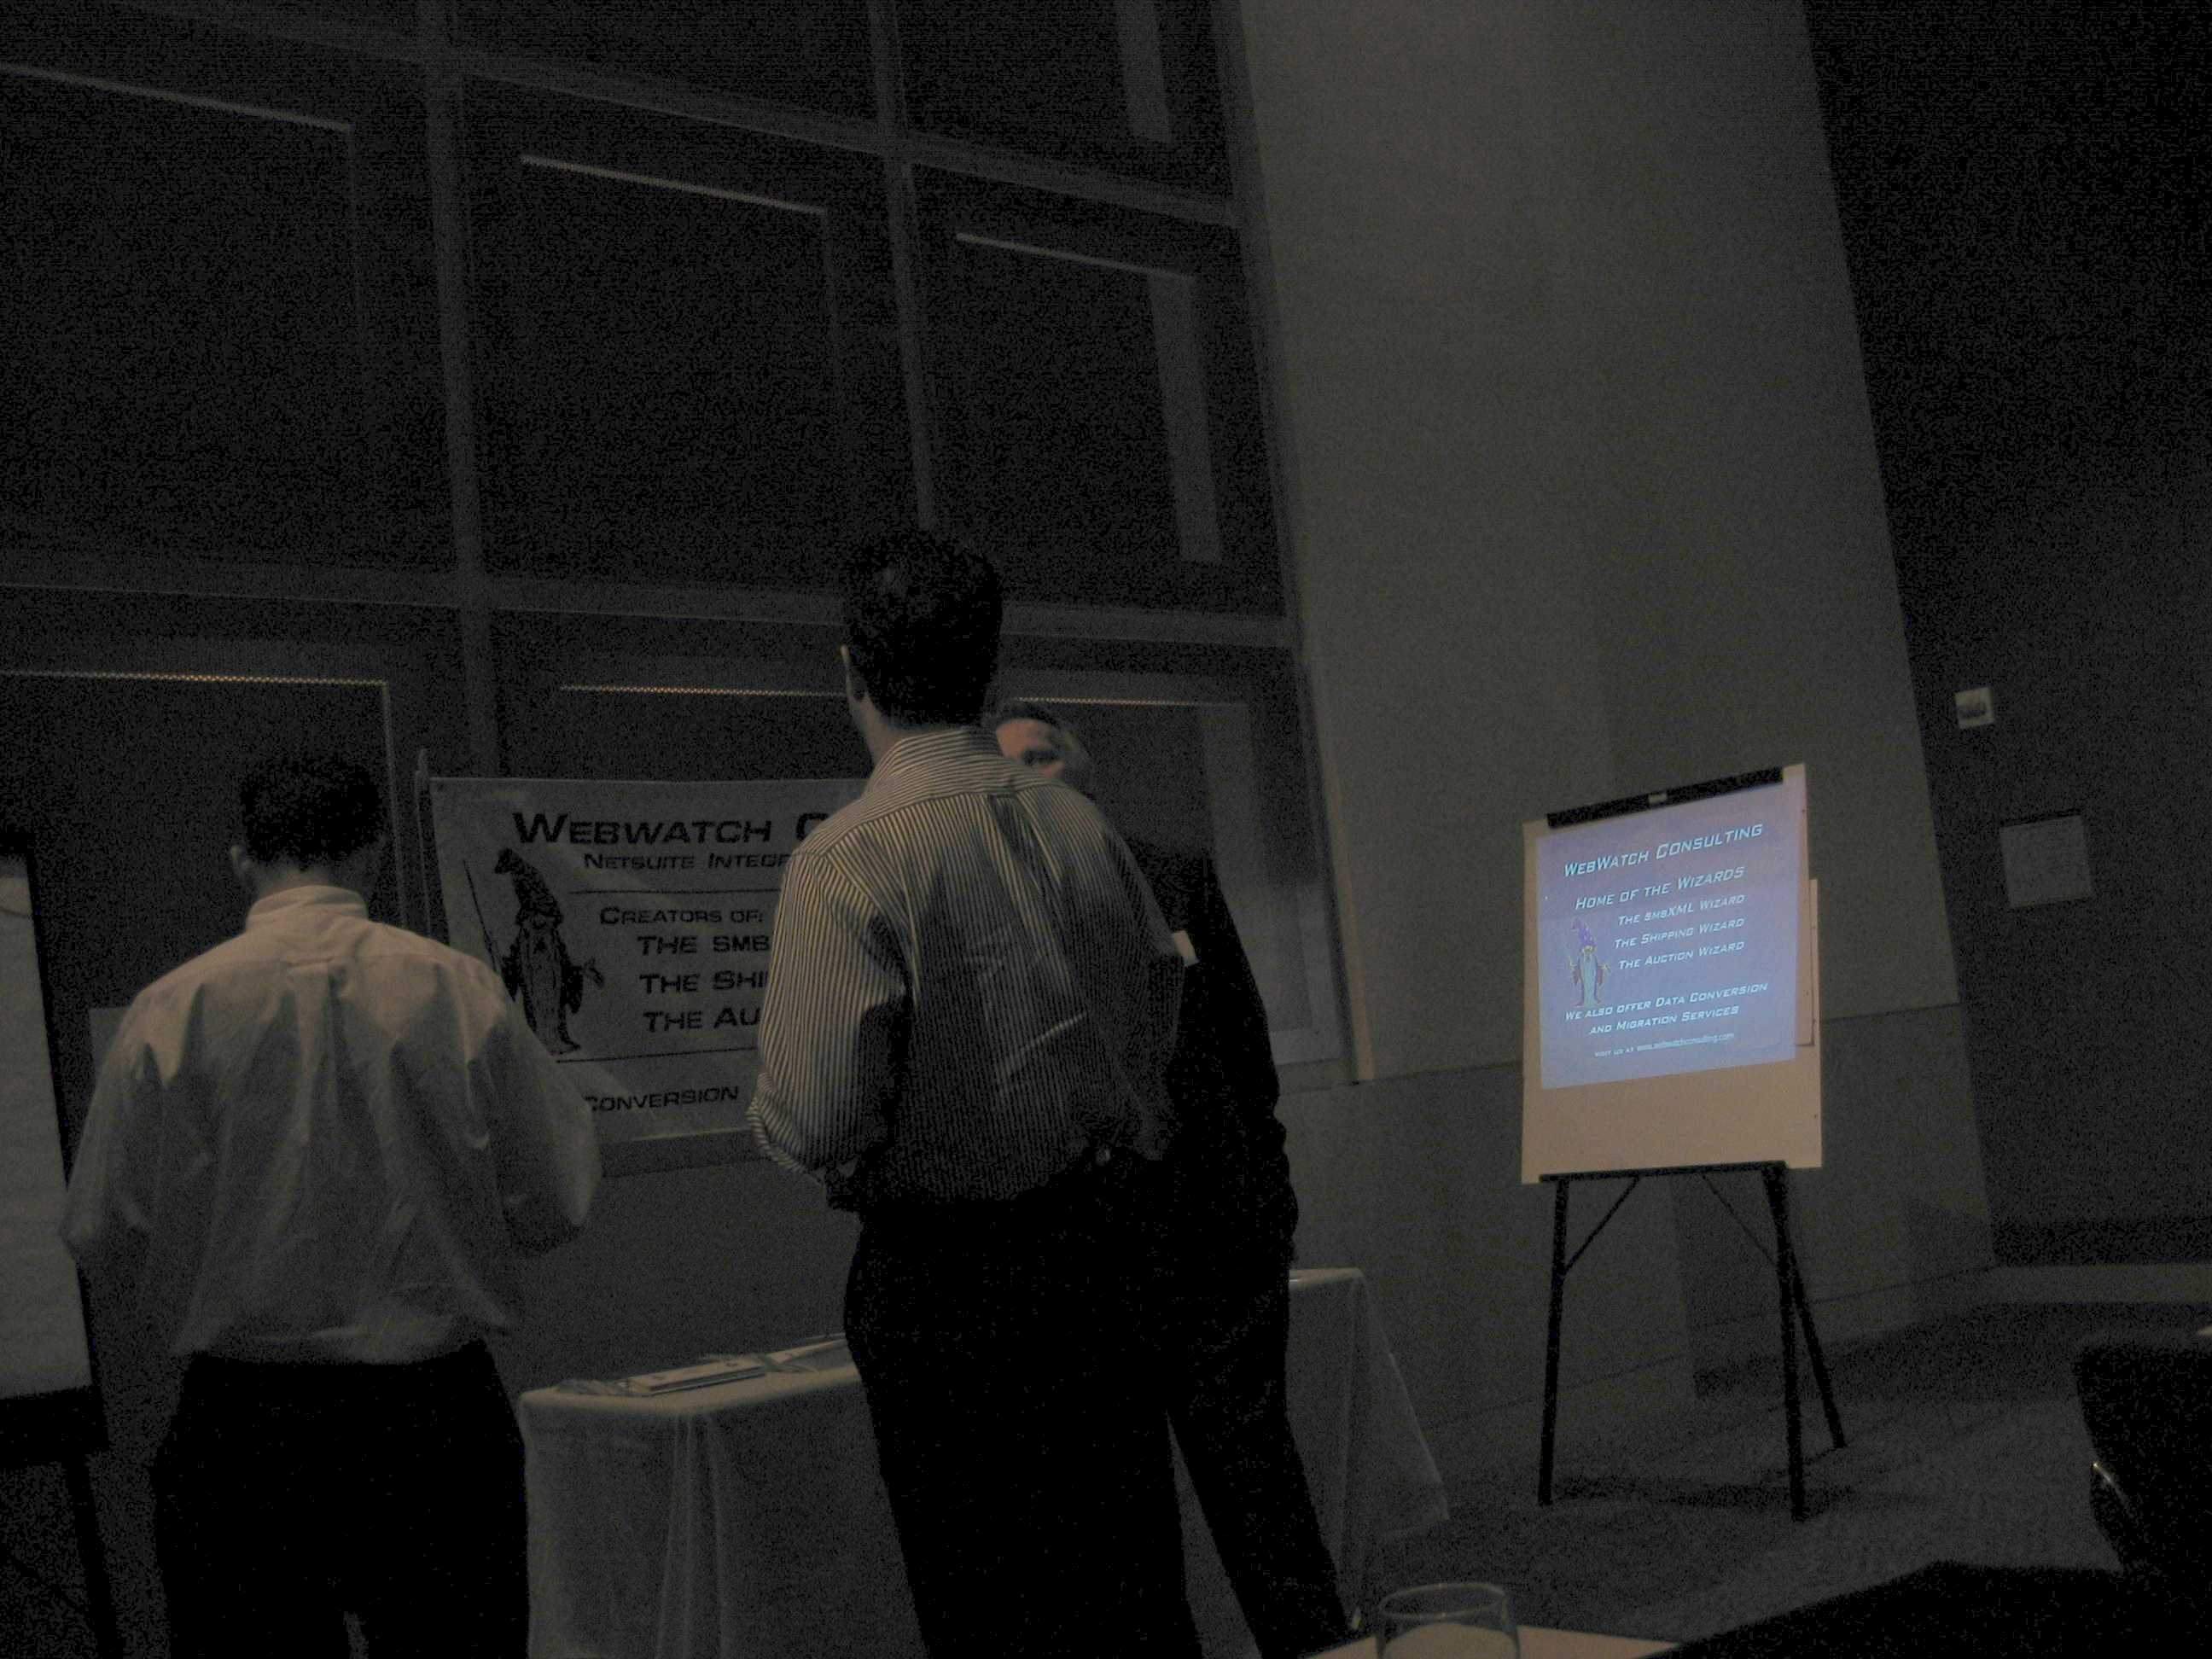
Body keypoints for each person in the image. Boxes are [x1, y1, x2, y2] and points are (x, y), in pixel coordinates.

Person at [748, 533, 1198, 1658]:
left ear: (851, 671)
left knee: (989, 1605)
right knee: (1129, 1588)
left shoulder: (846, 857)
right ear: (991, 669)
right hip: (1097, 1255)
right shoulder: (1083, 826)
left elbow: (815, 1116)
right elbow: (1156, 1016)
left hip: (944, 1285)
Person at [61, 753, 601, 1658]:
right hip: (433, 1422)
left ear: (242, 860)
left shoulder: (170, 1009)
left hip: (243, 1428)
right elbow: (556, 1199)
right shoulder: (459, 990)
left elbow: (102, 1232)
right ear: (376, 851)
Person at [994, 698, 1353, 1659]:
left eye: (1044, 753)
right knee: (1124, 1526)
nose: (1030, 775)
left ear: (1085, 764)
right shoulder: (998, 902)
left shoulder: (1174, 874)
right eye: (1009, 765)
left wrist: (1267, 1195)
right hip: (1087, 1257)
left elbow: (1244, 1049)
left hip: (1214, 1235)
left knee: (1261, 1491)